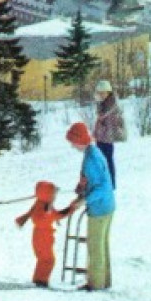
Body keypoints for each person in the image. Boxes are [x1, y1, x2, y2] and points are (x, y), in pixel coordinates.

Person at [66, 122, 115, 291]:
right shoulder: (94, 152)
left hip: (100, 207)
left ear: (79, 140)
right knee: (102, 245)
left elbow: (101, 186)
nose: (72, 146)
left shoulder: (91, 158)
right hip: (107, 204)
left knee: (95, 246)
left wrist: (84, 200)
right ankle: (103, 281)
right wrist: (82, 189)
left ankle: (95, 284)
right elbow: (93, 180)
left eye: (72, 142)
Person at [15, 180, 76, 288]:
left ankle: (38, 279)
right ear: (48, 195)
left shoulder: (40, 203)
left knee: (43, 260)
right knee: (48, 260)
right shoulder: (46, 209)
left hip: (39, 237)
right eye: (53, 194)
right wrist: (72, 208)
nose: (55, 196)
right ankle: (41, 281)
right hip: (43, 239)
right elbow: (59, 215)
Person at [92, 80, 125, 186]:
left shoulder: (110, 104)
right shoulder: (104, 103)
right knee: (101, 161)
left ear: (108, 92)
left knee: (107, 160)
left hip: (107, 137)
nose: (101, 95)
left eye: (103, 93)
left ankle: (111, 182)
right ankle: (105, 182)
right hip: (102, 136)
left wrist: (98, 104)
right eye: (99, 93)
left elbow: (102, 116)